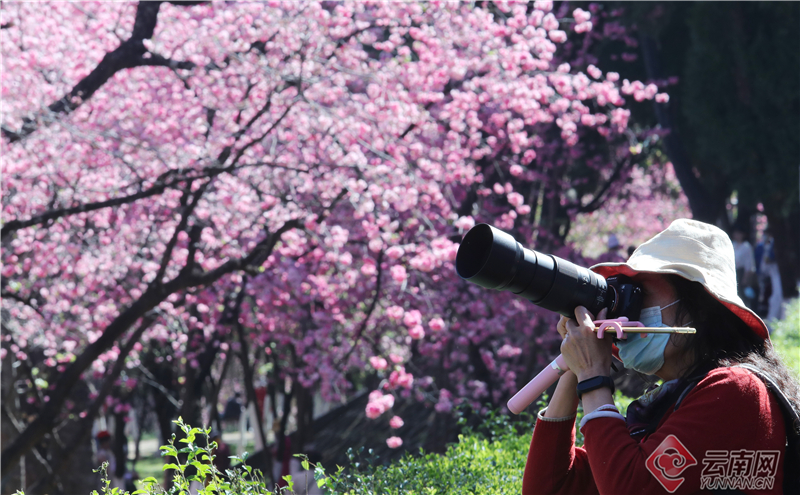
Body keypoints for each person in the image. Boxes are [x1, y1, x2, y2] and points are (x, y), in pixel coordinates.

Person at [523, 219, 799, 494]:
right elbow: (548, 489)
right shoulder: (670, 405)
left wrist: (593, 377)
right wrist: (577, 364)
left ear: (700, 307)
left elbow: (632, 489)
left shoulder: (736, 390)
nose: (626, 312)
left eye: (640, 293)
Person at [731, 222, 757, 309]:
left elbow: (749, 264)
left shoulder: (746, 247)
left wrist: (745, 280)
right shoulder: (732, 245)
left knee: (742, 299)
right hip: (732, 272)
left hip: (741, 274)